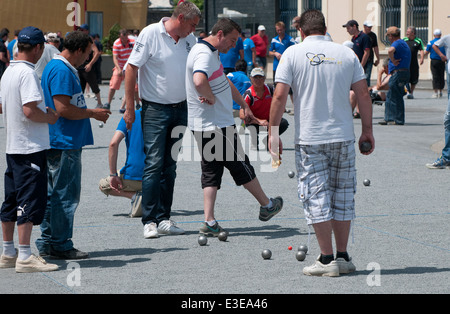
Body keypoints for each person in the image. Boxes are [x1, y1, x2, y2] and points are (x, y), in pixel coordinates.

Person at [269, 9, 374, 277]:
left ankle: (327, 260)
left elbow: (279, 97)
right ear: (325, 29)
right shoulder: (346, 53)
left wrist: (272, 132)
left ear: (301, 31)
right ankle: (343, 256)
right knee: (342, 195)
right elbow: (362, 93)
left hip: (310, 139)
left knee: (316, 196)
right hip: (342, 136)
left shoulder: (292, 53)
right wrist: (367, 131)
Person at [186, 17, 283, 236]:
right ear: (219, 34)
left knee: (211, 170)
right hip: (216, 124)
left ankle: (209, 221)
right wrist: (209, 97)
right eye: (231, 40)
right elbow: (199, 81)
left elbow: (223, 80)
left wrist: (243, 105)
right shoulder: (203, 54)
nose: (233, 45)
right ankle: (267, 205)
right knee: (240, 164)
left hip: (203, 124)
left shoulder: (209, 52)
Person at [123, 1, 201, 239]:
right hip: (155, 110)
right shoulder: (150, 33)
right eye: (192, 25)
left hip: (181, 109)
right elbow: (130, 68)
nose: (194, 30)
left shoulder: (190, 40)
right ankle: (149, 220)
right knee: (154, 164)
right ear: (180, 18)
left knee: (170, 166)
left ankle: (164, 218)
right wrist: (129, 106)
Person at [35, 31, 111, 259]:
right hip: (64, 140)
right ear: (78, 50)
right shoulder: (61, 69)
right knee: (65, 195)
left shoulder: (57, 66)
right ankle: (60, 243)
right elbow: (63, 108)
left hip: (59, 138)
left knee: (53, 194)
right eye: (87, 53)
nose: (88, 58)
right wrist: (93, 113)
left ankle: (49, 240)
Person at [0, 26, 59, 273]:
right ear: (37, 48)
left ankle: (8, 251)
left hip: (13, 145)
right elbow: (29, 110)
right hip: (29, 147)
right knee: (28, 200)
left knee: (11, 199)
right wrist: (50, 117)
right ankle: (25, 255)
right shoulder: (28, 73)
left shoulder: (8, 73)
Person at [99, 108, 145, 217]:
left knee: (103, 185)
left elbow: (113, 144)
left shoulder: (130, 115)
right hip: (157, 176)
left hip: (133, 174)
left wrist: (113, 174)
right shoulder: (162, 117)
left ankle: (135, 196)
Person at [241, 67, 289, 150]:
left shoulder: (271, 89)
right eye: (255, 77)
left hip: (268, 120)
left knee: (284, 123)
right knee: (247, 120)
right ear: (251, 79)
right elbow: (241, 115)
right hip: (254, 121)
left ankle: (267, 140)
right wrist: (259, 121)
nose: (258, 80)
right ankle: (254, 140)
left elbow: (279, 102)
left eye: (260, 77)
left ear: (264, 78)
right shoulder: (248, 94)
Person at [425, 33, 450, 169]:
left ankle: (447, 157)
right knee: (448, 120)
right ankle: (447, 157)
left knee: (448, 119)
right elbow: (433, 46)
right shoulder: (447, 38)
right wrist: (442, 55)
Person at [379, 27, 411, 126]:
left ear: (391, 36)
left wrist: (392, 60)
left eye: (388, 36)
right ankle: (396, 119)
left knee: (392, 95)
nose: (388, 38)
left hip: (398, 73)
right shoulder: (403, 43)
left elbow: (390, 51)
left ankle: (391, 118)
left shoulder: (396, 43)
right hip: (404, 72)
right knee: (396, 96)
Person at [104, 29, 135, 111]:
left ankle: (122, 107)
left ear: (127, 36)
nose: (123, 40)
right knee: (113, 84)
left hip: (129, 66)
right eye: (122, 38)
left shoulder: (132, 42)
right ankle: (108, 103)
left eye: (125, 38)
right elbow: (115, 58)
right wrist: (118, 69)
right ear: (120, 36)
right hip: (120, 65)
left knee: (130, 86)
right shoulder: (117, 43)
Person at [77, 25, 103, 108]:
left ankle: (99, 103)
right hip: (79, 66)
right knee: (79, 88)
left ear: (87, 31)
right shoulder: (78, 39)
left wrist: (90, 64)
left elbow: (97, 52)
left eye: (83, 30)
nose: (81, 31)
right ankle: (79, 104)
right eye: (81, 30)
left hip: (87, 67)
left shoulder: (89, 40)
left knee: (94, 85)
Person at [403, 26, 425, 99]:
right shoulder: (404, 40)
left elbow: (421, 50)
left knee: (414, 78)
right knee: (405, 77)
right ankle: (408, 92)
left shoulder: (418, 40)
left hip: (414, 63)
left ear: (413, 33)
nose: (406, 33)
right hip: (405, 62)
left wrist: (422, 58)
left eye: (408, 32)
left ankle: (411, 92)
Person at [425, 29, 446, 98]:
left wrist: (422, 56)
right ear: (440, 35)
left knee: (435, 76)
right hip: (442, 60)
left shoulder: (430, 43)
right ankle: (440, 91)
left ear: (434, 35)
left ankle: (435, 92)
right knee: (441, 75)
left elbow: (426, 52)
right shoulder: (443, 42)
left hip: (434, 61)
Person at [363, 20, 380, 87]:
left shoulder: (373, 35)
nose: (369, 28)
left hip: (369, 58)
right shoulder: (361, 35)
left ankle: (367, 90)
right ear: (364, 26)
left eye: (370, 27)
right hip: (361, 58)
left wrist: (378, 58)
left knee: (367, 76)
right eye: (368, 27)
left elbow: (375, 47)